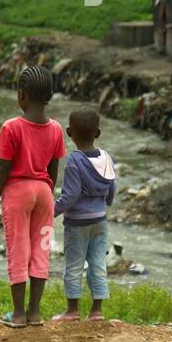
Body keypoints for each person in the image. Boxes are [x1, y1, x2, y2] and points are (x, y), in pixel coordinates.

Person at [0, 65, 65, 328]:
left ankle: (18, 314)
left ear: (22, 95)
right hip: (44, 192)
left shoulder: (11, 128)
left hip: (18, 193)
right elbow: (54, 167)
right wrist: (48, 190)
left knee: (18, 250)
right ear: (50, 95)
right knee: (41, 250)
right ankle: (34, 313)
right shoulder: (56, 128)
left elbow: (3, 166)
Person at [52, 107, 116, 322]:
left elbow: (69, 196)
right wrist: (106, 202)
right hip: (100, 220)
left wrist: (51, 212)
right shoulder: (106, 158)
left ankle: (72, 311)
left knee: (74, 265)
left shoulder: (74, 161)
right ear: (98, 133)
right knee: (98, 263)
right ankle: (97, 311)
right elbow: (112, 187)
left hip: (77, 223)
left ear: (69, 133)